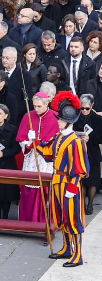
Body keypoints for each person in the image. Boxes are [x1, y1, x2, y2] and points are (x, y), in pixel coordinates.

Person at [33, 91, 89, 266]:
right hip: (57, 182)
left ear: (68, 122)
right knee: (61, 218)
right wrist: (36, 143)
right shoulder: (58, 137)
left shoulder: (75, 142)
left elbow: (80, 169)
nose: (57, 121)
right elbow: (49, 152)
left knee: (72, 220)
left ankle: (77, 254)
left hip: (68, 185)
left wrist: (72, 188)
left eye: (60, 119)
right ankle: (66, 248)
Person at [17, 90, 58, 223]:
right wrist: (28, 144)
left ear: (47, 104)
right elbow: (21, 139)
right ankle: (28, 220)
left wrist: (42, 144)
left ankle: (45, 221)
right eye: (34, 106)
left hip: (46, 161)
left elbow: (58, 142)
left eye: (39, 106)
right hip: (31, 160)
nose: (36, 109)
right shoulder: (28, 116)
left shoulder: (55, 117)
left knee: (45, 190)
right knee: (30, 188)